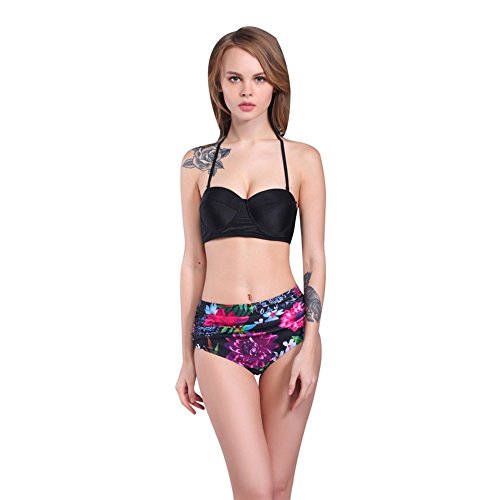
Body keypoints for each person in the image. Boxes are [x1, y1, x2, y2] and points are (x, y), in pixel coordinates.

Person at [175, 26, 325, 500]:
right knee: (256, 489)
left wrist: (311, 342)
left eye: (259, 78)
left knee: (277, 488)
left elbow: (315, 256)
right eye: (234, 78)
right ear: (217, 85)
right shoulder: (196, 164)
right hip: (217, 334)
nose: (246, 90)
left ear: (275, 84)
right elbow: (193, 262)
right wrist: (185, 357)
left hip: (287, 328)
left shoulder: (302, 159)